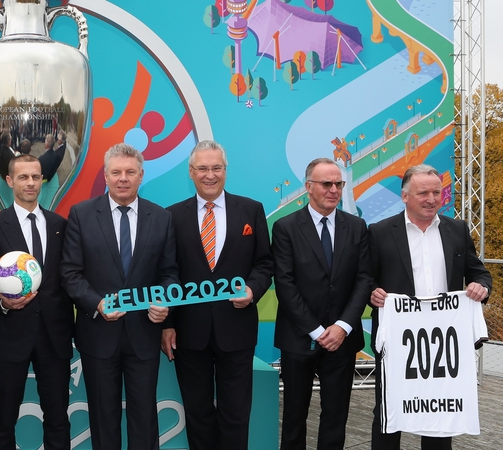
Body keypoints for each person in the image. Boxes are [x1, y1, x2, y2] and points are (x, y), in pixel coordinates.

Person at [61, 143, 178, 450]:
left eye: (130, 172)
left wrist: (164, 303)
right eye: (116, 172)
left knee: (144, 418)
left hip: (144, 334)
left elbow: (169, 273)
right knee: (103, 417)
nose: (122, 178)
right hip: (98, 334)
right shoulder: (82, 215)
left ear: (141, 175)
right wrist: (97, 303)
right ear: (105, 175)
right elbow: (70, 273)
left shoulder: (161, 217)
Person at [369, 164, 492, 450]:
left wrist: (481, 287)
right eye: (423, 192)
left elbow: (479, 272)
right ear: (404, 196)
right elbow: (366, 279)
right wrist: (372, 294)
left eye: (436, 192)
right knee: (388, 412)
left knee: (440, 414)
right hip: (398, 344)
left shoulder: (457, 229)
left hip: (445, 345)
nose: (431, 199)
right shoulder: (380, 232)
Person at [161, 140, 274, 450]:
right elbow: (168, 271)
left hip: (236, 329)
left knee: (236, 414)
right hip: (189, 333)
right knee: (197, 414)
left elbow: (265, 263)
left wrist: (252, 290)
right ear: (191, 172)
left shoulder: (251, 209)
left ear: (225, 171)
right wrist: (168, 323)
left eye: (216, 168)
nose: (209, 175)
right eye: (202, 169)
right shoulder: (172, 216)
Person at [272, 158, 372, 449]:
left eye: (338, 184)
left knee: (335, 418)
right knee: (293, 418)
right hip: (298, 338)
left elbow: (364, 280)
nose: (334, 190)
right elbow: (285, 284)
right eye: (326, 184)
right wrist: (316, 331)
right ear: (308, 188)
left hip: (342, 340)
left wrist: (341, 327)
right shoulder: (285, 227)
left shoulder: (357, 227)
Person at [0, 154, 73, 450]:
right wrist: (4, 304)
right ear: (9, 181)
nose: (30, 183)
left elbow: (68, 276)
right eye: (23, 177)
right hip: (9, 336)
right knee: (3, 419)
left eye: (36, 177)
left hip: (54, 337)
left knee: (58, 418)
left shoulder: (61, 224)